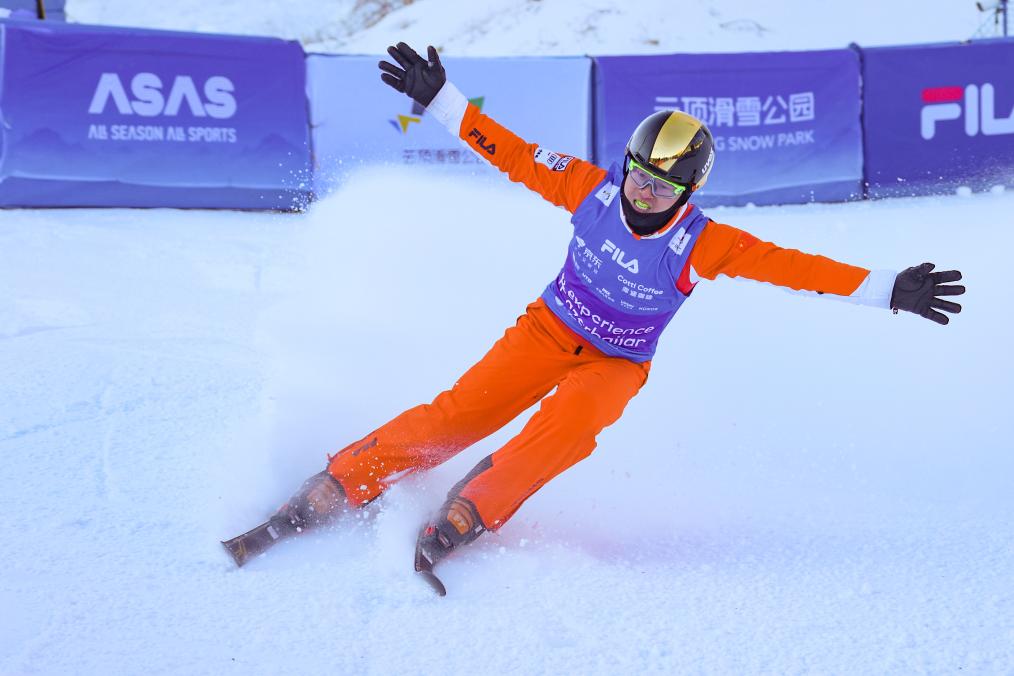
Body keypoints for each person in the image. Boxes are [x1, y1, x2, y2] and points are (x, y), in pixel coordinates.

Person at [228, 43, 965, 588]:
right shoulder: (589, 190)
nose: (645, 194)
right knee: (455, 418)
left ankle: (469, 509)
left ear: (690, 192)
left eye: (662, 188)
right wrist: (445, 100)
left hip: (616, 363)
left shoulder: (705, 242)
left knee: (569, 429)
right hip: (547, 330)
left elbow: (793, 268)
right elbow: (514, 154)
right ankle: (340, 482)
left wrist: (885, 288)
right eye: (639, 177)